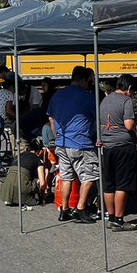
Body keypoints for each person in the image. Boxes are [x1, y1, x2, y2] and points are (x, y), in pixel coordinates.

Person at [48, 66, 99, 223]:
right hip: (80, 142)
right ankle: (81, 208)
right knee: (90, 175)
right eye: (89, 81)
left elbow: (51, 118)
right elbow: (98, 117)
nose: (89, 84)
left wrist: (57, 136)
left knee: (66, 177)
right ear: (83, 80)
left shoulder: (58, 95)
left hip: (61, 142)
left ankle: (64, 209)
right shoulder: (88, 97)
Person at [98, 74, 137, 232]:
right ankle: (119, 220)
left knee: (109, 184)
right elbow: (129, 125)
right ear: (129, 88)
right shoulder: (126, 100)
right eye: (133, 90)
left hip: (107, 145)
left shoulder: (105, 99)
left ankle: (111, 217)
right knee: (122, 184)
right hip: (123, 145)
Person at [0, 138, 44, 207]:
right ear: (40, 151)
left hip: (6, 189)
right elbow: (42, 183)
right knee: (36, 180)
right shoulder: (38, 159)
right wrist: (43, 195)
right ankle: (23, 198)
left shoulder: (18, 156)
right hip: (22, 187)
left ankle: (12, 199)